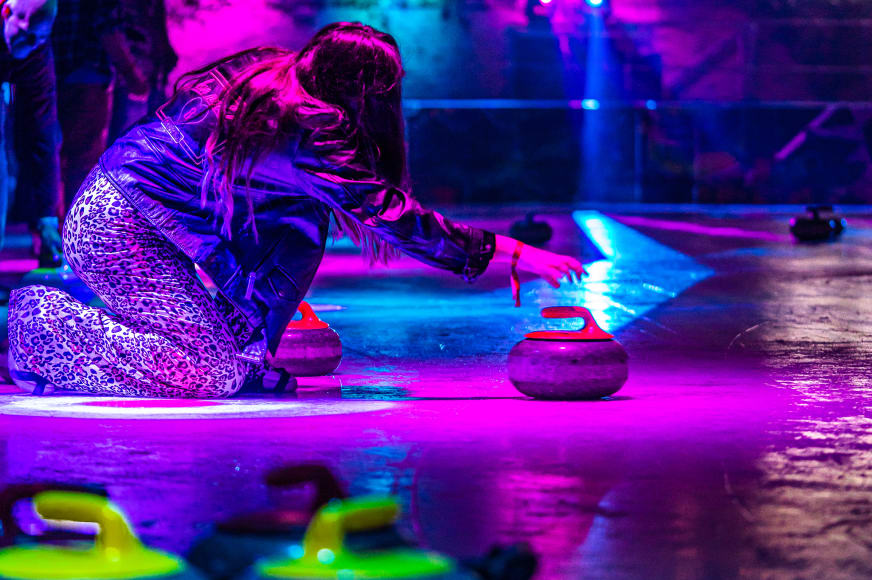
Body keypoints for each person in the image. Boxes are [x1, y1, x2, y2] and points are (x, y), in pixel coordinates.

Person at [7, 22, 584, 398]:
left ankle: (241, 350)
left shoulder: (278, 72)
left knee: (306, 223)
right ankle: (31, 324)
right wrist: (509, 252)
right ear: (360, 90)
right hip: (120, 223)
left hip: (147, 216)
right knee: (205, 374)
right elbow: (394, 217)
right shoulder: (309, 127)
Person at [0, 0, 63, 270]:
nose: (28, 45)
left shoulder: (35, 49)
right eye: (24, 34)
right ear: (6, 11)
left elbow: (43, 134)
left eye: (38, 38)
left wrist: (47, 217)